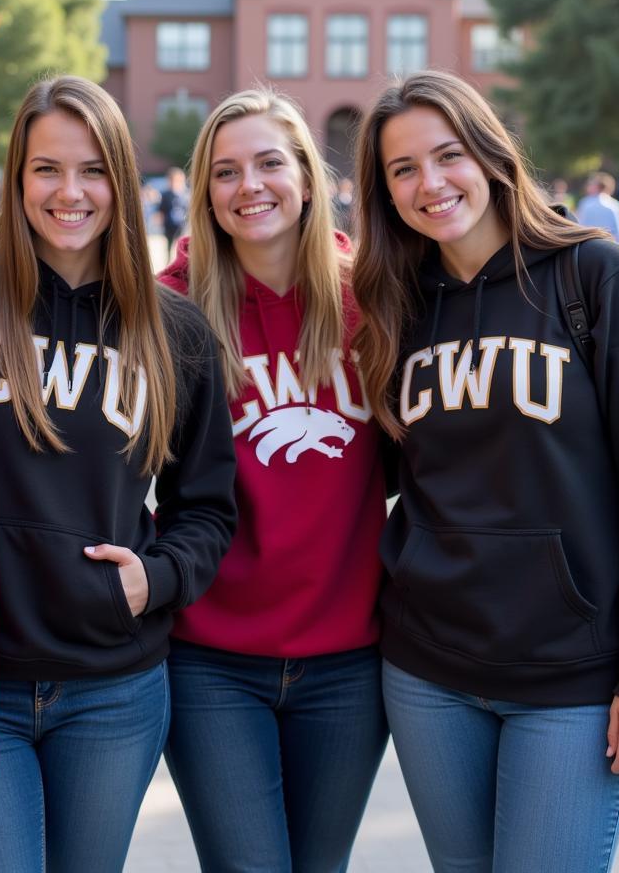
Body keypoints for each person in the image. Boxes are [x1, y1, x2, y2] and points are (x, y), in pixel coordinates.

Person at [0, 75, 237, 873]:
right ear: (17, 177)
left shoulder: (175, 332)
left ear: (121, 182)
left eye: (92, 170)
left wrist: (153, 581)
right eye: (47, 169)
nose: (70, 192)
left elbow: (209, 508)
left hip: (113, 689)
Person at [352, 70, 619, 873]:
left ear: (491, 155)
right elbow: (384, 472)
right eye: (403, 169)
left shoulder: (594, 277)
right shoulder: (396, 303)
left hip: (573, 679)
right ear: (385, 191)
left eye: (448, 155)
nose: (430, 183)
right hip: (429, 674)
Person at [158, 88, 388, 873]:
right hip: (210, 659)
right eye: (225, 172)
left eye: (268, 163)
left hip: (349, 662)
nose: (248, 185)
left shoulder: (376, 302)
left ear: (306, 176)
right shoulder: (169, 309)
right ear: (205, 192)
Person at [575, 171, 619, 242]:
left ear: (596, 186)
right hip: (610, 244)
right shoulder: (614, 204)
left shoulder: (585, 203)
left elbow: (579, 227)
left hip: (588, 244)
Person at [159, 165, 191, 258]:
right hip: (169, 224)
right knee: (169, 245)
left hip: (182, 225)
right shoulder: (166, 195)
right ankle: (169, 260)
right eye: (172, 180)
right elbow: (162, 210)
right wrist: (161, 222)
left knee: (182, 245)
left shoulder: (186, 195)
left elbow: (189, 210)